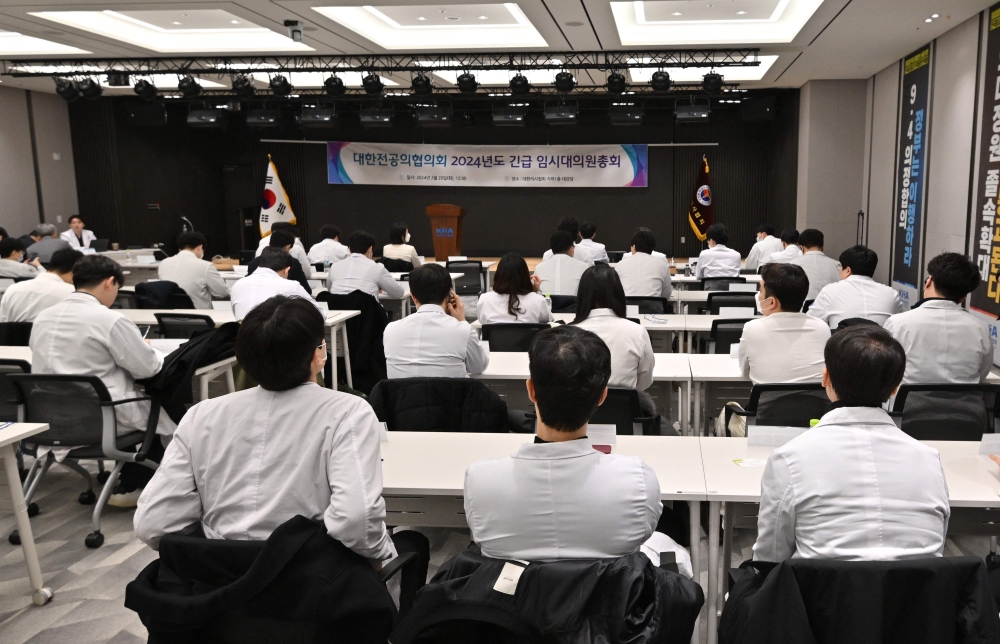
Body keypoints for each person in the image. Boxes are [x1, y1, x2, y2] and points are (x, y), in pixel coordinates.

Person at [134, 296, 398, 566]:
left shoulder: (200, 416)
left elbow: (153, 524)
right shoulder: (348, 412)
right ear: (319, 355)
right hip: (312, 587)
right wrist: (384, 553)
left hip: (218, 591)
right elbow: (355, 522)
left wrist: (218, 550)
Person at [463, 325, 691, 577]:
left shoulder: (480, 481)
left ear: (531, 390)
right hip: (608, 609)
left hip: (512, 609)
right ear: (603, 396)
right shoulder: (637, 481)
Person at [753, 326, 950, 562]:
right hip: (920, 597)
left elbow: (770, 557)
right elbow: (938, 544)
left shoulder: (789, 458)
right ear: (895, 388)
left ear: (825, 377)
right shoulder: (929, 458)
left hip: (817, 597)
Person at [31, 255, 175, 506]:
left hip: (51, 420)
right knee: (165, 409)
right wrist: (143, 347)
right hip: (99, 418)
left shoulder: (44, 317)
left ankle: (134, 479)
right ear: (110, 282)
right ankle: (135, 484)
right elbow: (147, 368)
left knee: (150, 410)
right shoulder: (110, 320)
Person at [883, 252, 993, 384]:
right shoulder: (981, 328)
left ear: (929, 281)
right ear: (964, 296)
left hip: (909, 404)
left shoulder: (897, 323)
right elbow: (982, 373)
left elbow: (884, 370)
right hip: (966, 404)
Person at [572, 264, 657, 414]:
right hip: (626, 420)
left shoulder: (566, 334)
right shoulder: (637, 331)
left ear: (582, 295)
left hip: (575, 421)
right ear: (618, 293)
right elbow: (644, 381)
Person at [383, 263, 489, 378]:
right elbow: (478, 367)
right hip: (450, 396)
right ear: (449, 295)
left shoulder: (390, 330)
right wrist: (462, 320)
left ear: (413, 296)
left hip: (400, 396)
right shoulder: (463, 330)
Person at [738, 264, 830, 384]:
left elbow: (744, 370)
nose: (758, 295)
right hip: (818, 402)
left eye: (760, 290)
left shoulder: (752, 328)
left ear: (772, 302)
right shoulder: (822, 328)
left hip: (767, 403)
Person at [807, 245, 906, 329]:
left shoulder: (829, 291)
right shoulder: (891, 294)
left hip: (842, 349)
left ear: (848, 270)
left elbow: (811, 324)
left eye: (840, 267)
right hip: (881, 349)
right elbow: (899, 326)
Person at [231, 247, 321, 321]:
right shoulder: (292, 286)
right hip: (276, 340)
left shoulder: (237, 285)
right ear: (286, 271)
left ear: (258, 266)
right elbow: (319, 314)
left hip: (244, 339)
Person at [0, 248, 79, 322]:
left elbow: (3, 321)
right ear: (73, 274)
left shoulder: (13, 289)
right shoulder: (73, 294)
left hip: (12, 336)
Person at [157, 232, 229, 310]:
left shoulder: (163, 263)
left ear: (179, 249)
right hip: (198, 317)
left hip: (168, 316)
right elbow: (222, 293)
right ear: (200, 247)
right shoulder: (205, 266)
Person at [477, 252, 552, 324]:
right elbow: (547, 320)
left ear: (498, 275)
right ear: (525, 276)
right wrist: (535, 291)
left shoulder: (484, 299)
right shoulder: (538, 300)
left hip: (497, 337)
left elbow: (483, 322)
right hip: (529, 337)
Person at [327, 230, 404, 299]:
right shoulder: (376, 267)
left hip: (339, 312)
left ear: (349, 249)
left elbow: (329, 289)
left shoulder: (334, 266)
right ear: (370, 249)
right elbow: (398, 293)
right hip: (367, 313)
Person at [614, 227, 672, 300]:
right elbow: (666, 293)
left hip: (628, 310)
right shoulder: (662, 265)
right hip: (653, 310)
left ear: (634, 246)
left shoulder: (620, 265)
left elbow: (615, 291)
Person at [533, 231, 590, 296]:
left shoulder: (539, 267)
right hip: (574, 305)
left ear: (552, 249)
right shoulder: (584, 267)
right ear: (571, 249)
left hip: (547, 304)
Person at [789, 229, 840, 300]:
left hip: (800, 309)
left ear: (802, 248)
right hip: (830, 309)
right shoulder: (838, 266)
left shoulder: (791, 265)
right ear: (823, 247)